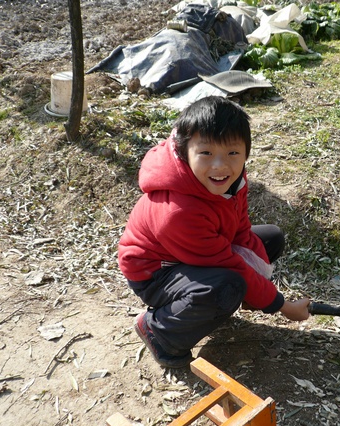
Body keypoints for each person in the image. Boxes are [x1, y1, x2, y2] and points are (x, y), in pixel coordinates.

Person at [118, 96, 311, 369]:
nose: (220, 166)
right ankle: (160, 331)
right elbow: (230, 264)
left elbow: (240, 227)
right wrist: (280, 304)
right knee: (227, 284)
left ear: (246, 153)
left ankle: (217, 302)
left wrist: (259, 282)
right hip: (155, 272)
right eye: (206, 154)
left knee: (270, 239)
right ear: (185, 152)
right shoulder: (179, 212)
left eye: (233, 153)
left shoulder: (234, 178)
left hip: (195, 253)